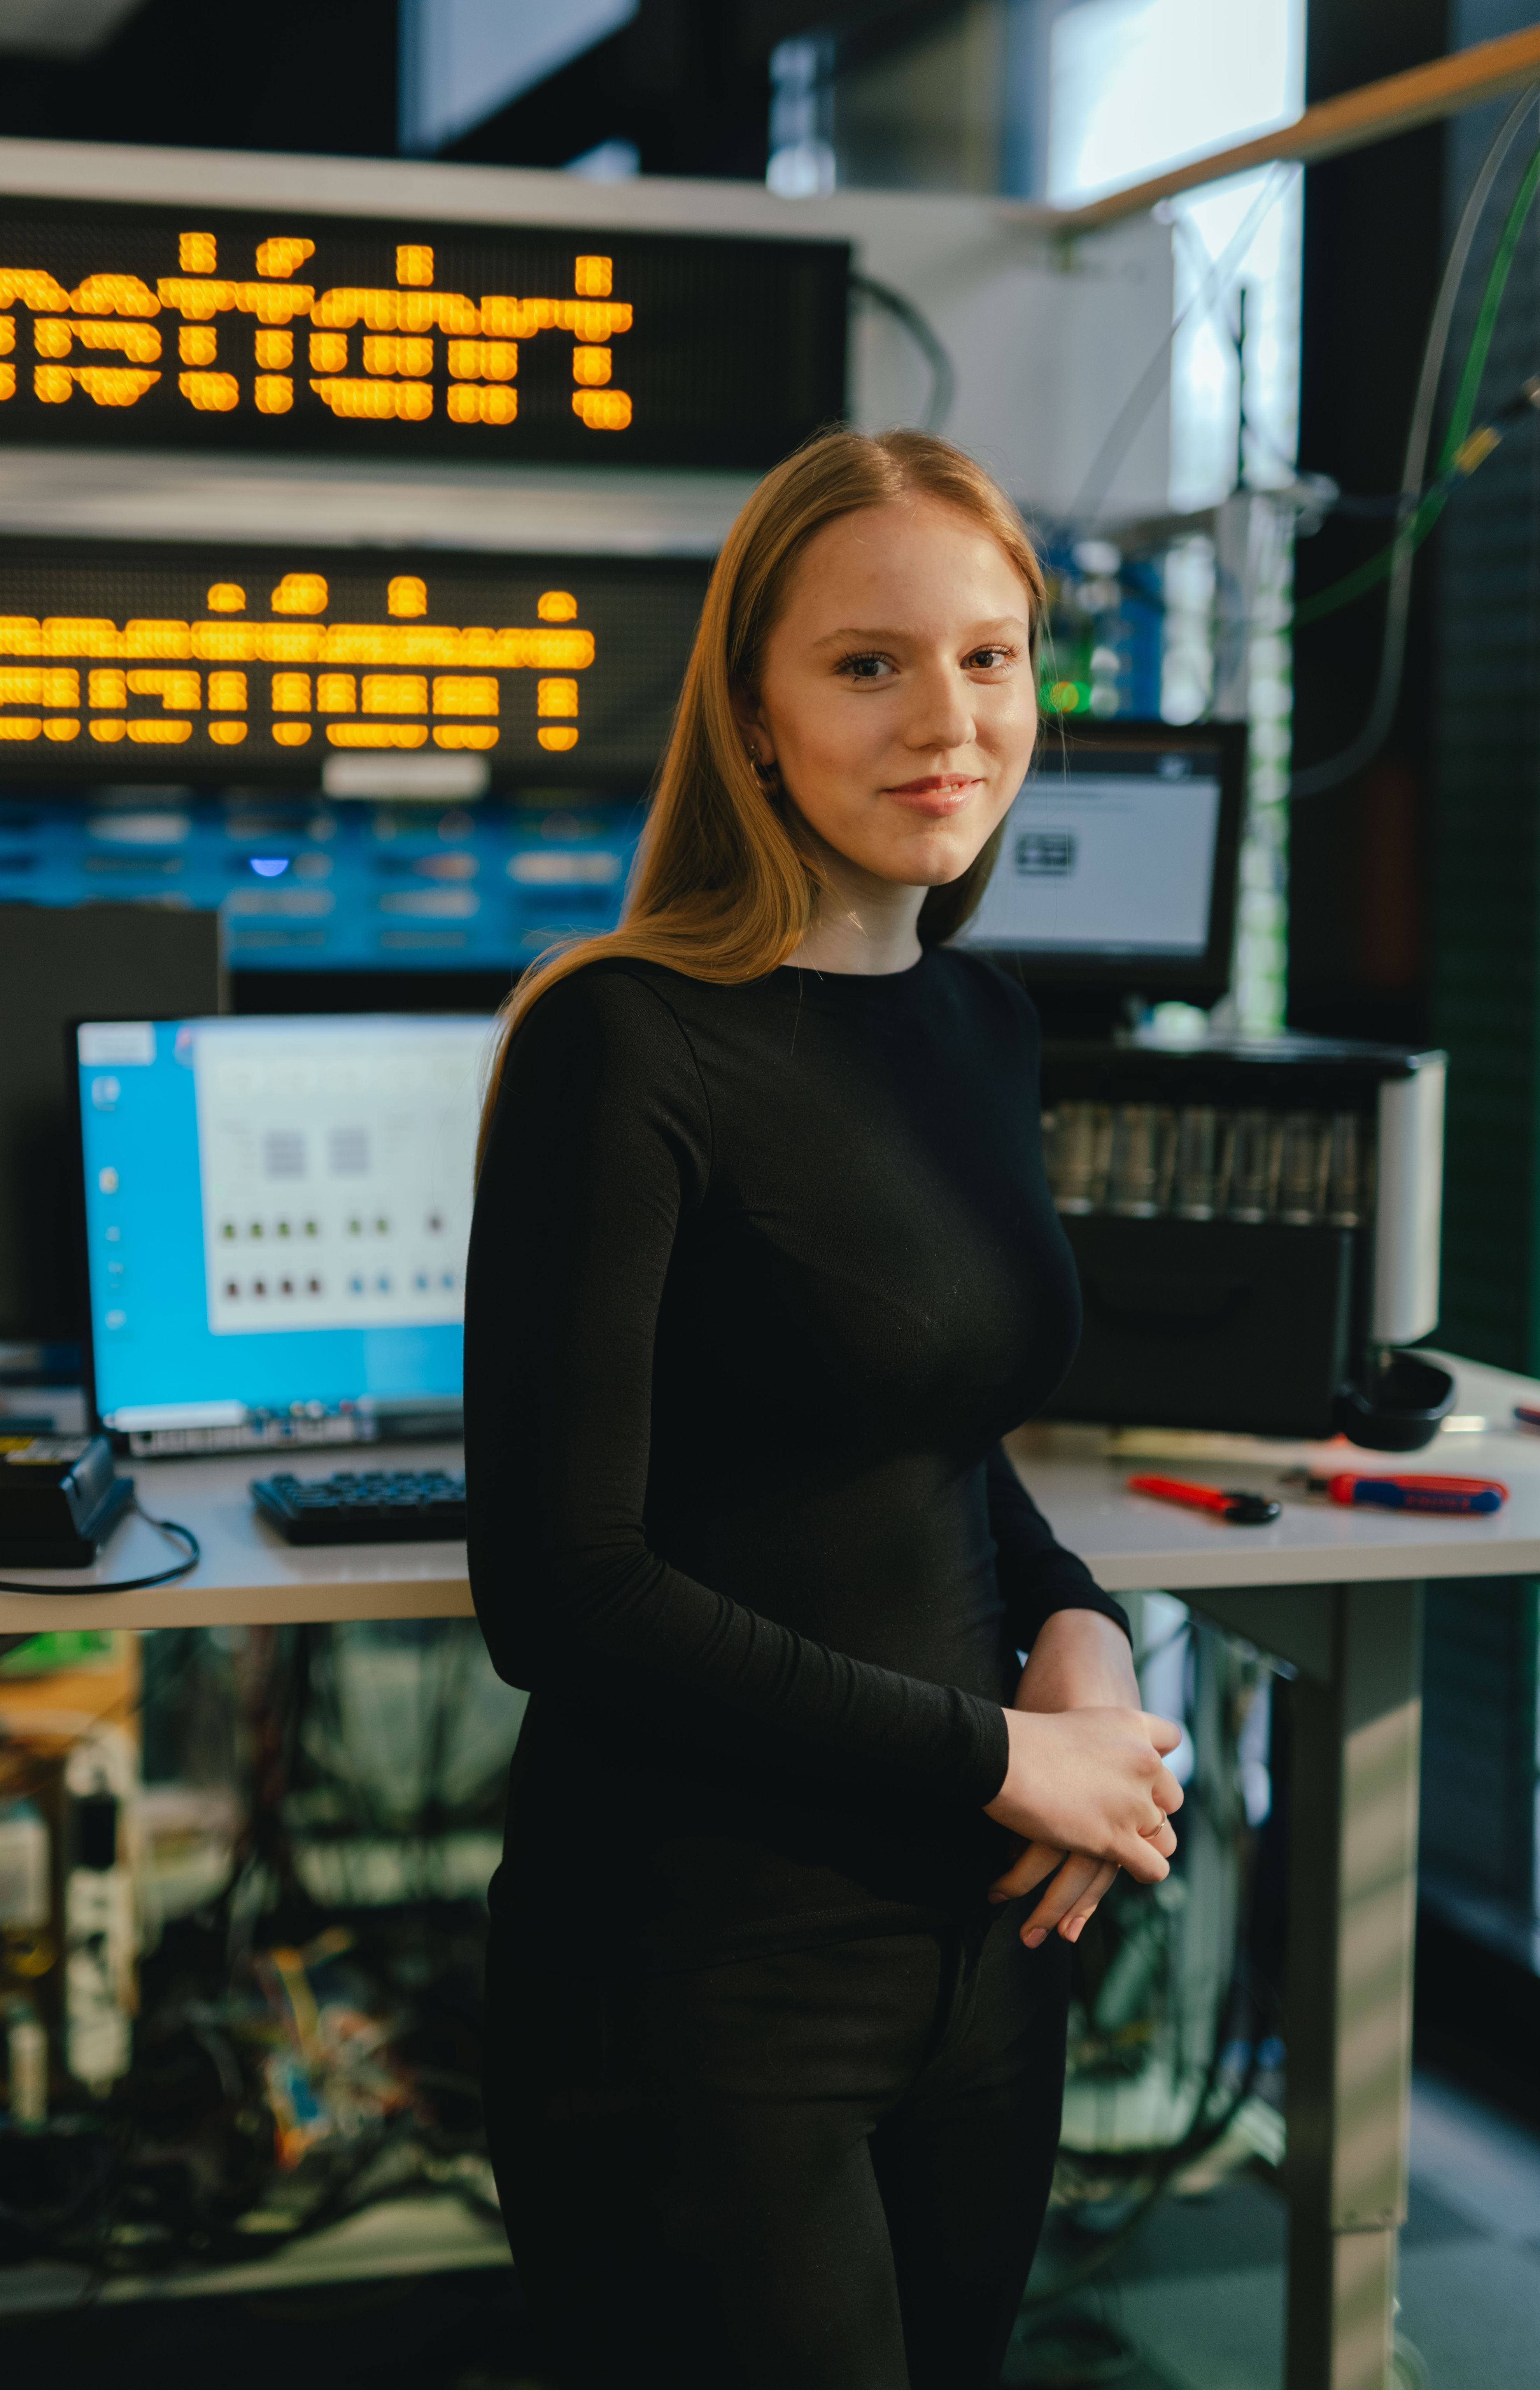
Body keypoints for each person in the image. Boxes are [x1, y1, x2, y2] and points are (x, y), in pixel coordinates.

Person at [463, 426, 1188, 2390]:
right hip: (702, 1976)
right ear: (753, 715)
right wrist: (993, 1761)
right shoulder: (618, 1040)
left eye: (989, 657)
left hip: (976, 1961)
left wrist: (1087, 1654)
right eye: (867, 664)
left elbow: (946, 1452)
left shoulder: (976, 1020)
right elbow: (560, 1590)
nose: (945, 720)